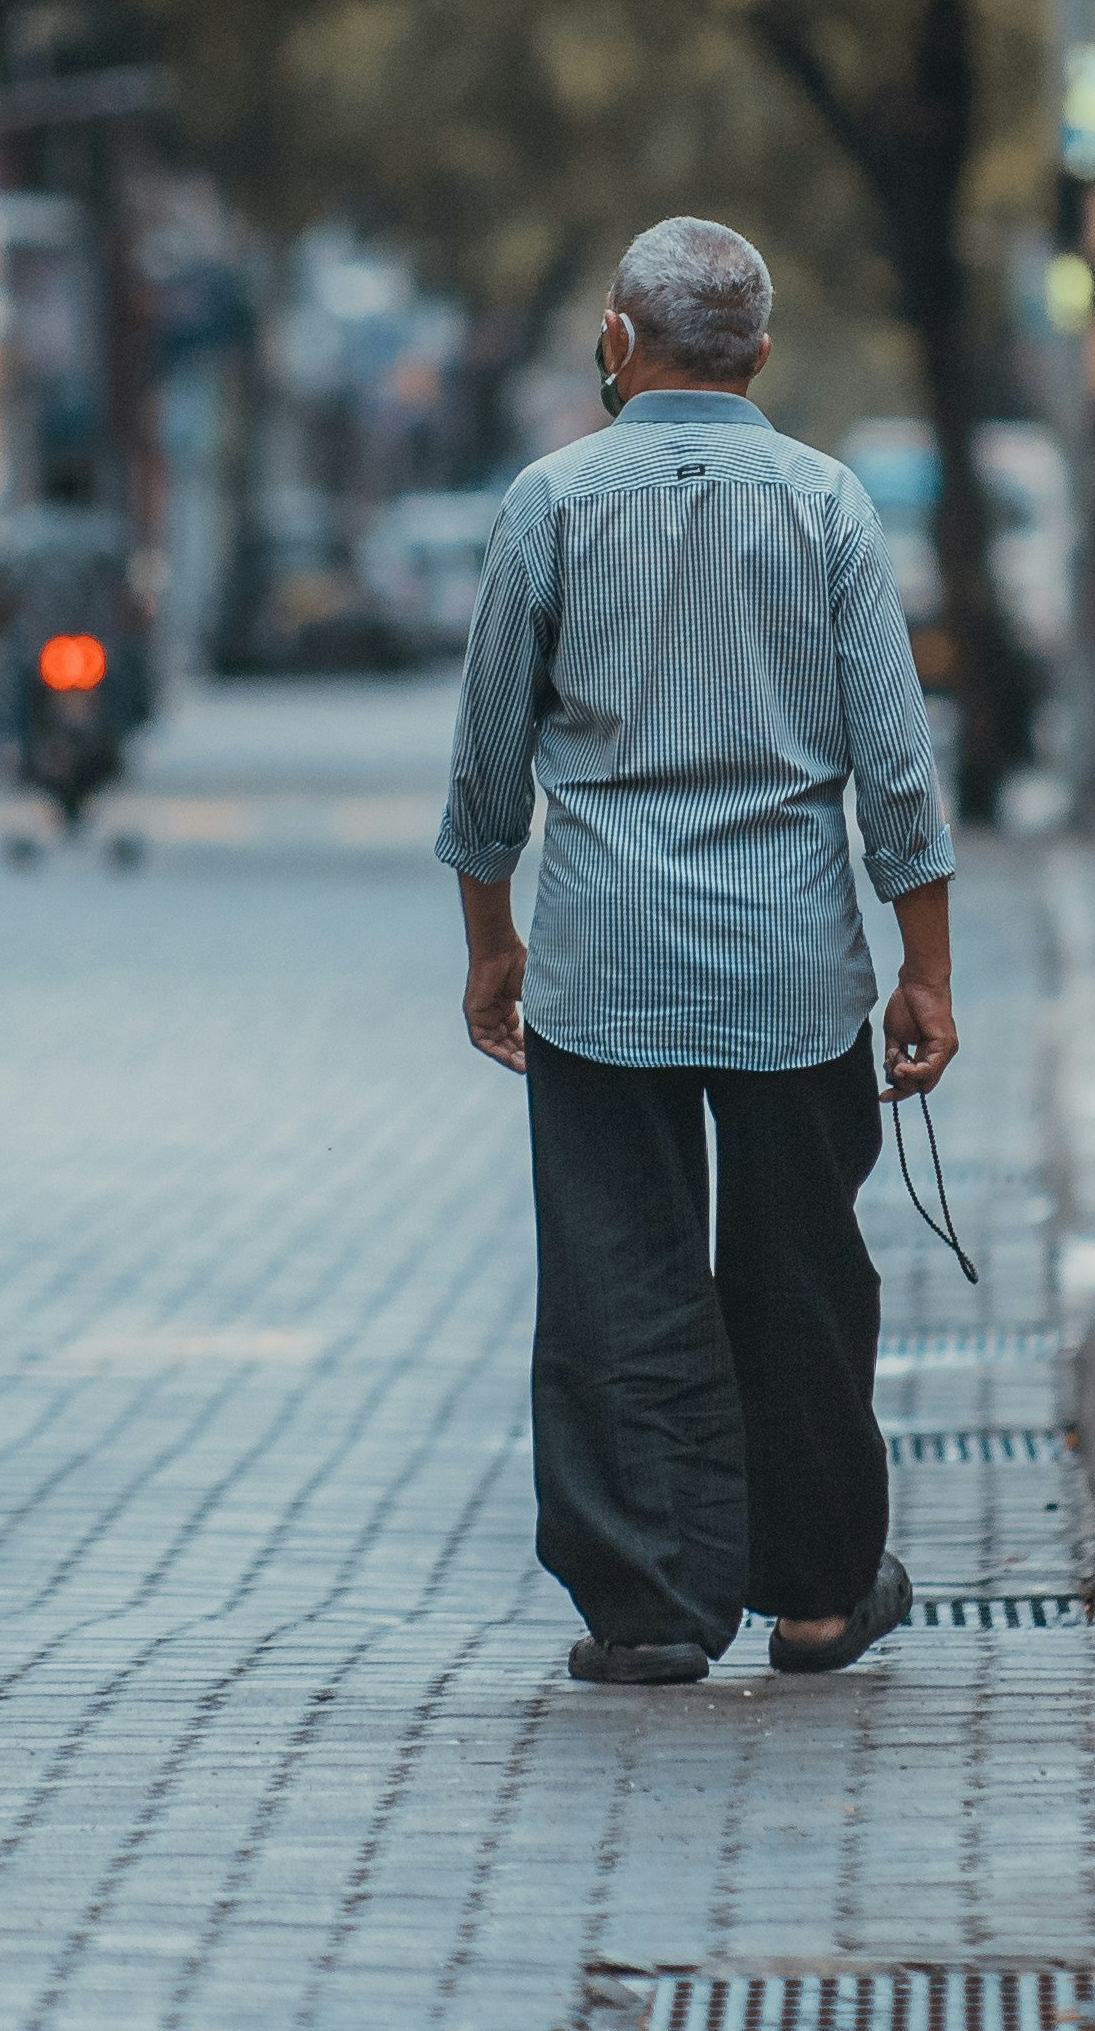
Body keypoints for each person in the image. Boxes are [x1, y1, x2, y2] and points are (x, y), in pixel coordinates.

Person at [439, 215, 959, 1686]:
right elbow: (896, 772)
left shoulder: (548, 502)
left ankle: (655, 1606)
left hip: (602, 970)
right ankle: (813, 1595)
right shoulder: (829, 506)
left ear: (616, 341)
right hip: (795, 970)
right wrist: (925, 968)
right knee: (801, 1276)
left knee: (620, 1278)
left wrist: (495, 948)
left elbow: (486, 773)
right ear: (764, 357)